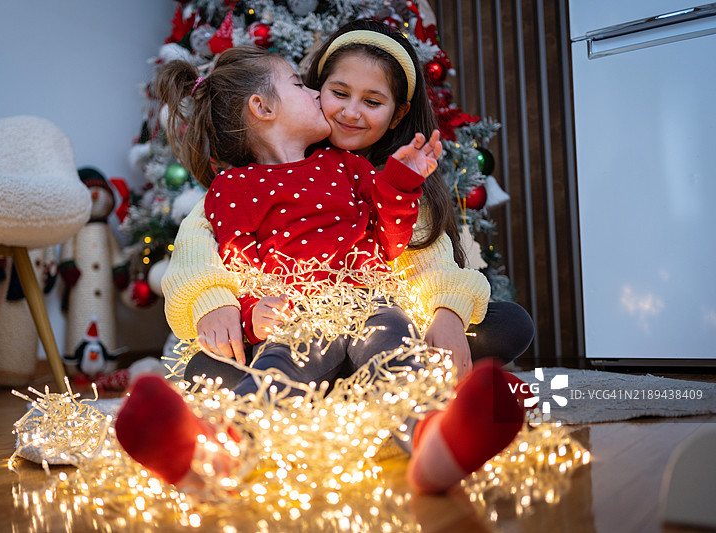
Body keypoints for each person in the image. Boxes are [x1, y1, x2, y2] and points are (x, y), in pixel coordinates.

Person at [115, 45, 524, 494]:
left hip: (370, 302)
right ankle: (219, 455)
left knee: (398, 358)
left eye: (372, 100)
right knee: (273, 377)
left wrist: (401, 184)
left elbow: (392, 241)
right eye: (300, 84)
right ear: (262, 107)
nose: (314, 93)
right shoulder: (232, 188)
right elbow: (237, 263)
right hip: (299, 316)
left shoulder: (348, 166)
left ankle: (433, 444)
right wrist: (248, 314)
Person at [162, 19, 534, 387]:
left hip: (378, 315)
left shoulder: (361, 170)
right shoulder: (239, 184)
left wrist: (448, 313)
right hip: (297, 323)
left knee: (506, 324)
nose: (351, 112)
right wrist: (226, 306)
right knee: (212, 368)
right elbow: (216, 251)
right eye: (338, 93)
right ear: (318, 87)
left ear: (397, 114)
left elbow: (411, 249)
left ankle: (368, 386)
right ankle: (341, 387)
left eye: (372, 101)